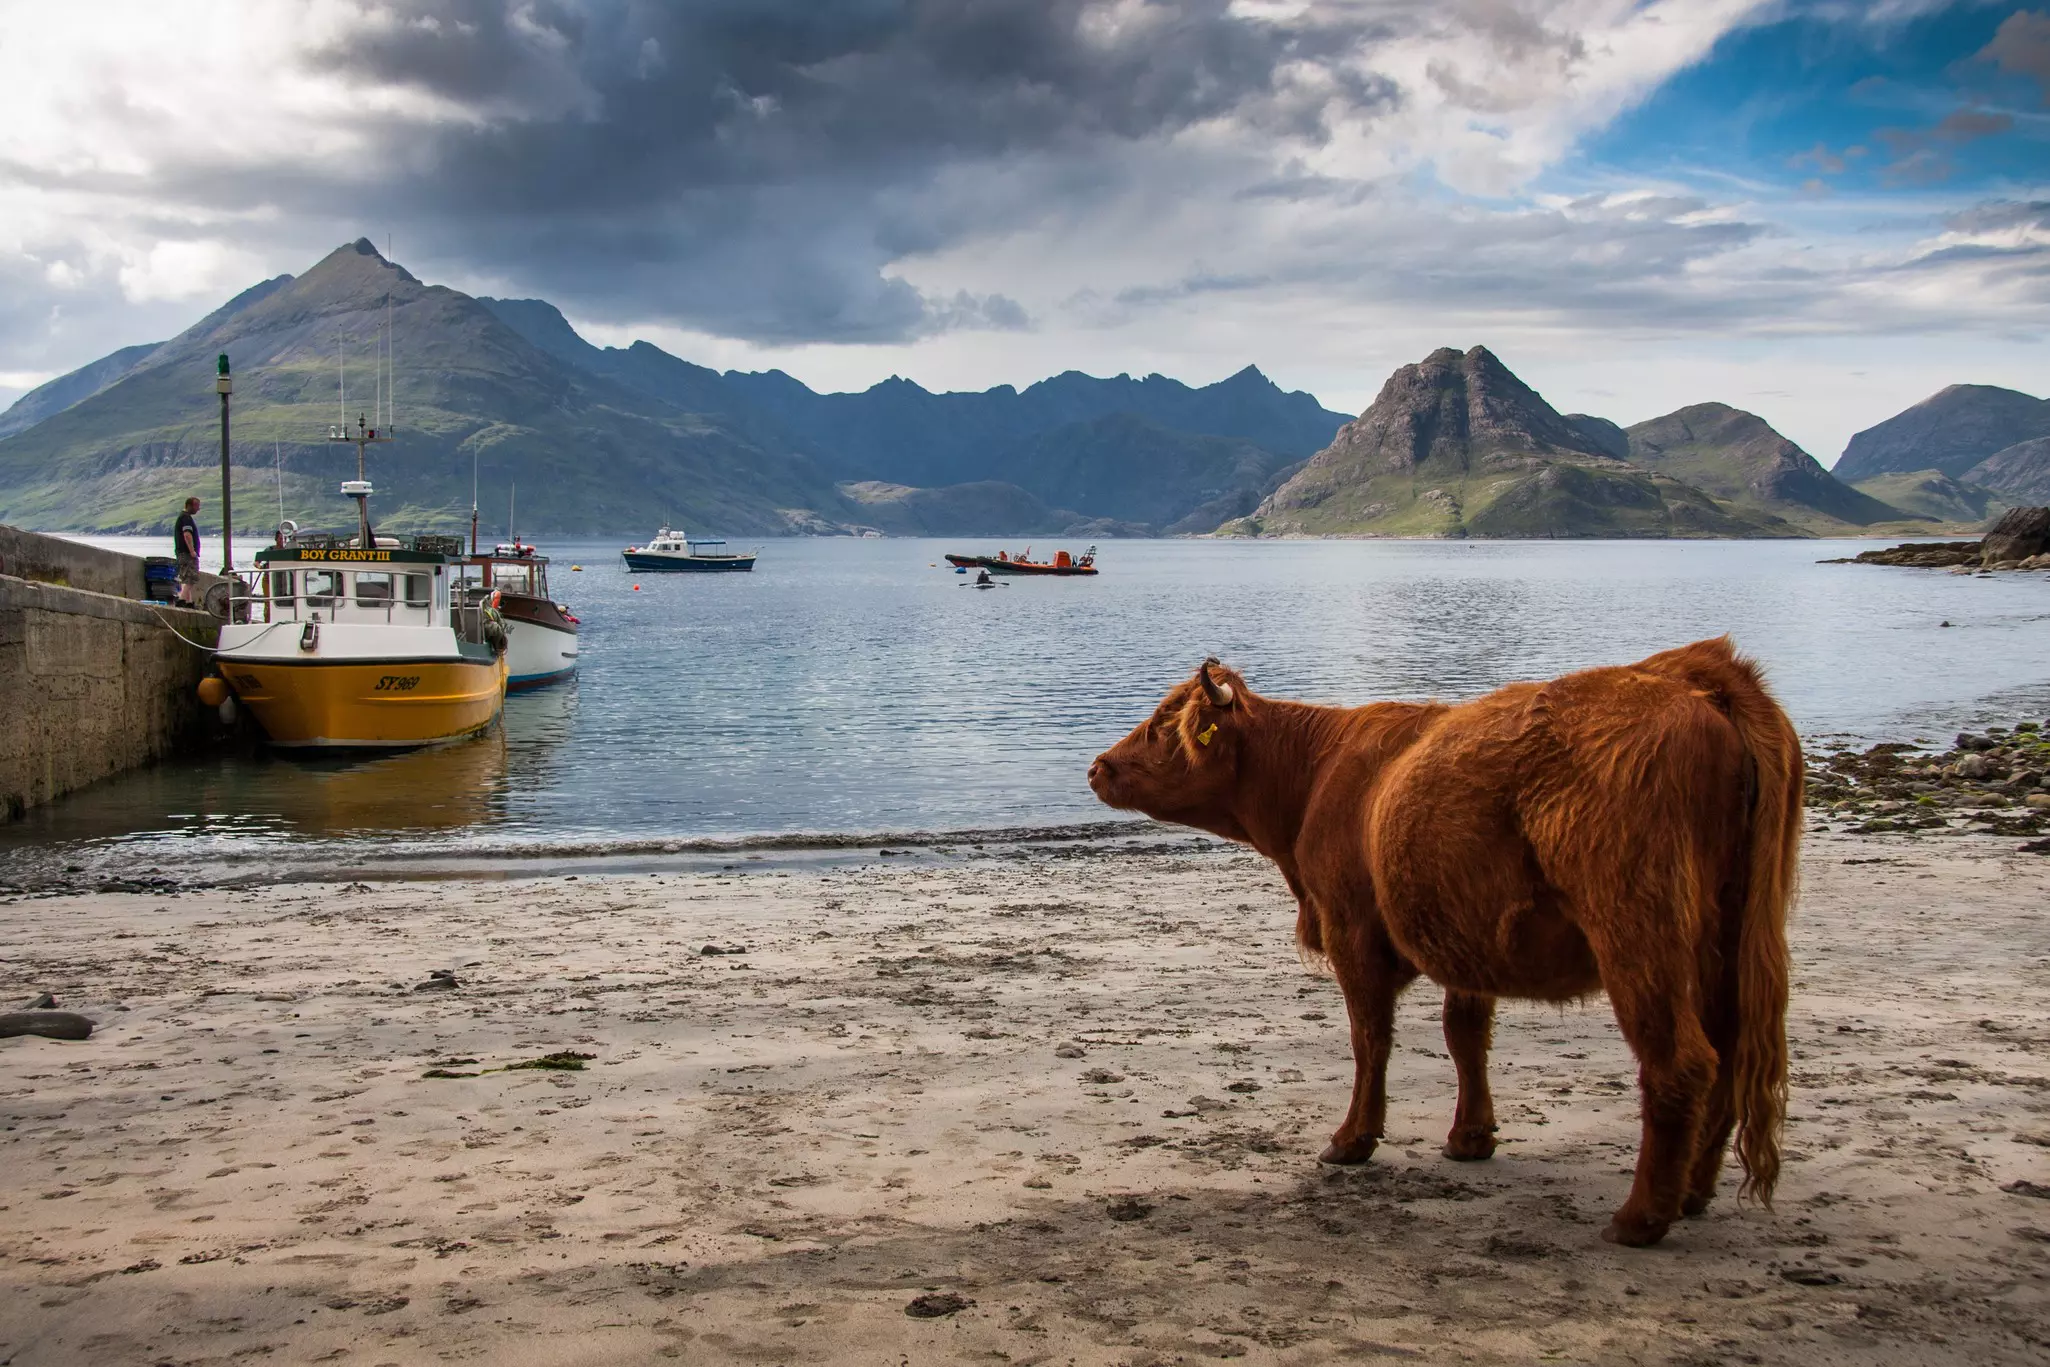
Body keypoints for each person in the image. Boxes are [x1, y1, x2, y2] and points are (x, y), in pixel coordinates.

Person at [173, 497, 202, 605]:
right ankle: (181, 599)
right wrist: (192, 551)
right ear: (189, 505)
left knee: (185, 577)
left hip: (181, 553)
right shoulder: (186, 518)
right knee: (191, 577)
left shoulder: (183, 517)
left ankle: (189, 602)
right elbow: (187, 534)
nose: (198, 509)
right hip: (187, 553)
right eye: (196, 506)